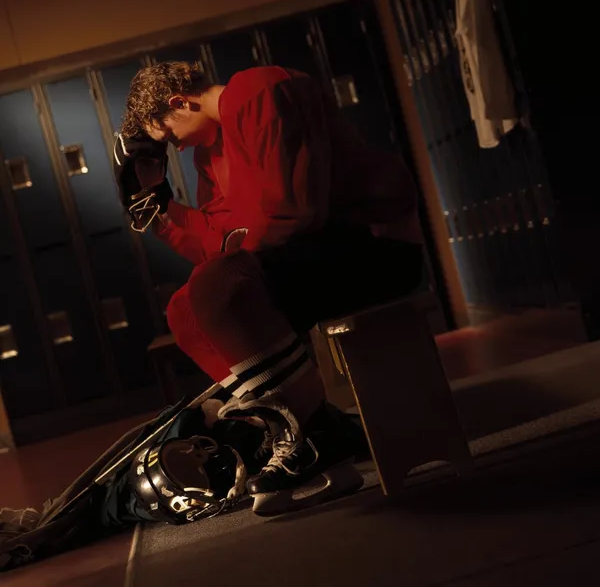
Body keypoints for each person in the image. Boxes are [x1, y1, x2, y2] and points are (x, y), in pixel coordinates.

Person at [113, 62, 424, 515]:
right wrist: (159, 209)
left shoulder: (258, 90)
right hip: (308, 258)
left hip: (370, 246)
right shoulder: (208, 156)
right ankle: (316, 428)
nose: (171, 147)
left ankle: (313, 434)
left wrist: (232, 270)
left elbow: (293, 212)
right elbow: (216, 245)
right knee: (186, 312)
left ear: (180, 102)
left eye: (167, 134)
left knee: (215, 288)